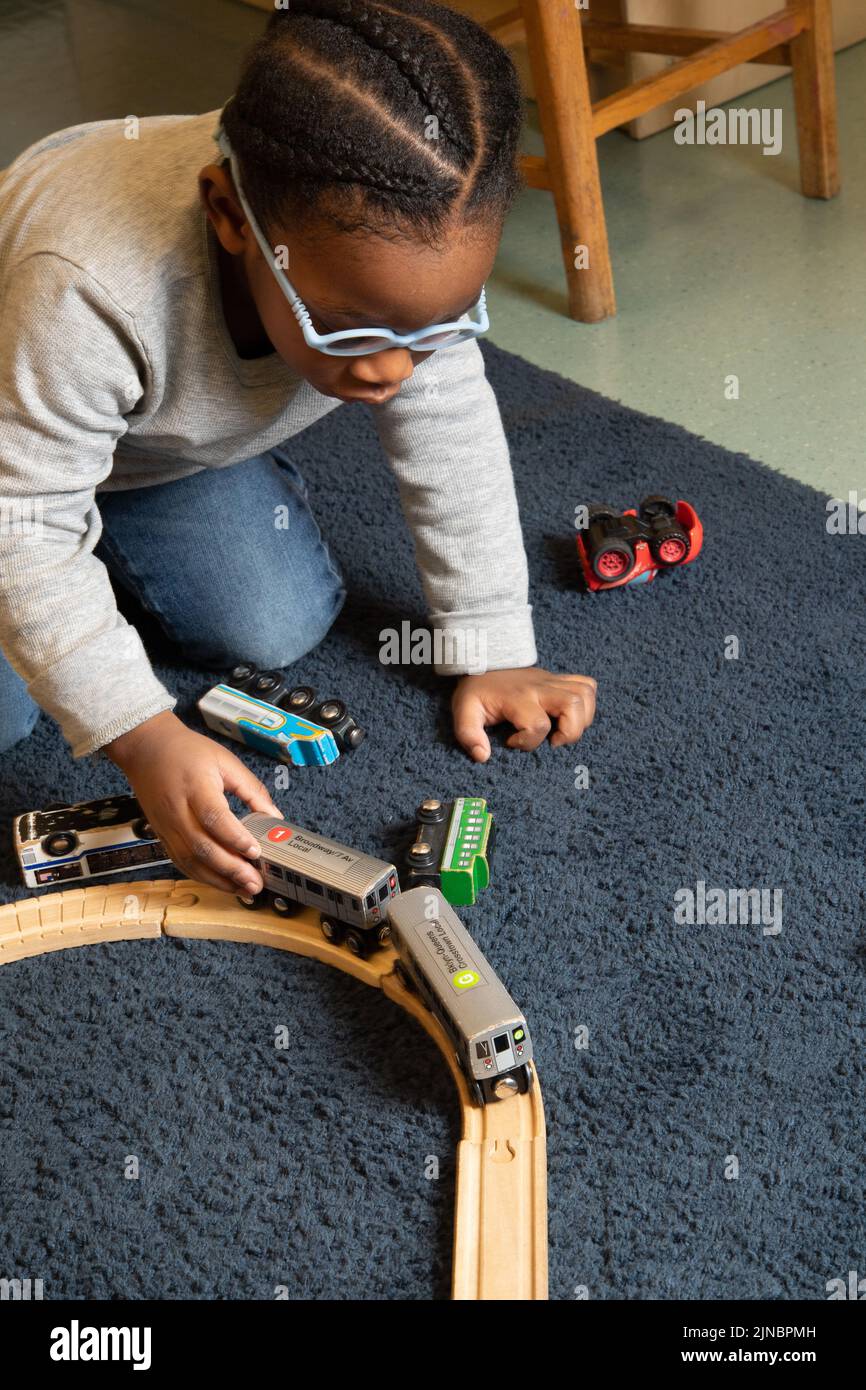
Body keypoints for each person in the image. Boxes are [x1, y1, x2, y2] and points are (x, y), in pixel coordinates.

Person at [0, 0, 596, 898]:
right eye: (354, 330)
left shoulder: (395, 248)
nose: (396, 368)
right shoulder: (86, 283)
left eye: (436, 327)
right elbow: (24, 514)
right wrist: (142, 731)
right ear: (228, 217)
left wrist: (492, 645)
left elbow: (449, 427)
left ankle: (95, 562)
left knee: (270, 626)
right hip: (17, 445)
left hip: (148, 451)